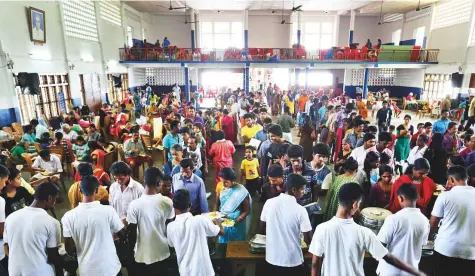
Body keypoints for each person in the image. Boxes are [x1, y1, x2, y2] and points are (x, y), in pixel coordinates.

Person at [310, 182, 424, 276]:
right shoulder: (364, 233)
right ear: (355, 205)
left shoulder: (321, 229)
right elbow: (388, 258)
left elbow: (315, 264)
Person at [62, 175, 126, 276]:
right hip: (110, 268)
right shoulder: (108, 211)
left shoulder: (68, 217)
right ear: (97, 190)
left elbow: (69, 248)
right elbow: (122, 234)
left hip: (87, 270)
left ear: (80, 190)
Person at [4, 182, 62, 275]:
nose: (54, 202)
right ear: (50, 198)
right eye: (55, 198)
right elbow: (53, 257)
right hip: (39, 272)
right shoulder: (52, 222)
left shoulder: (11, 217)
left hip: (15, 272)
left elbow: (6, 247)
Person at [260, 173, 312, 274]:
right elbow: (307, 239)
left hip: (271, 258)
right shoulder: (300, 210)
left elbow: (262, 228)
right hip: (292, 261)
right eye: (302, 189)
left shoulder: (269, 203)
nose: (304, 192)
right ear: (294, 190)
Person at [127, 167, 174, 275]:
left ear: (144, 181)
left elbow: (132, 234)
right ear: (159, 183)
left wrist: (130, 255)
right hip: (162, 252)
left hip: (141, 254)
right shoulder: (167, 202)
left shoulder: (134, 205)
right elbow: (170, 228)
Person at [167, 189, 224, 276]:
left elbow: (171, 244)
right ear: (190, 205)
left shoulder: (170, 227)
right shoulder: (199, 220)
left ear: (173, 206)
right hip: (204, 272)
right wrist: (216, 219)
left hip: (185, 272)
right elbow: (220, 231)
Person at [430, 166, 475, 276]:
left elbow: (433, 223)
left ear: (451, 180)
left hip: (446, 248)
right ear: (467, 178)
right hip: (470, 252)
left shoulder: (445, 196)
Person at [377, 183, 430, 276]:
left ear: (400, 198)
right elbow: (420, 246)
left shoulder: (393, 219)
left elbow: (379, 246)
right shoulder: (425, 221)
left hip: (390, 272)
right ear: (417, 198)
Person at [214, 167, 251, 243]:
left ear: (232, 180)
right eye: (222, 182)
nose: (224, 184)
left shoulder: (241, 191)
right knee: (223, 243)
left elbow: (247, 211)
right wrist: (214, 215)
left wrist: (237, 219)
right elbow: (217, 204)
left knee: (236, 246)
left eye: (226, 182)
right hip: (223, 221)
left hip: (236, 223)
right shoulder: (220, 187)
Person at [323, 157, 359, 221]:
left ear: (344, 169)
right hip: (342, 215)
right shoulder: (354, 183)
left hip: (331, 212)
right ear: (356, 170)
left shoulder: (338, 178)